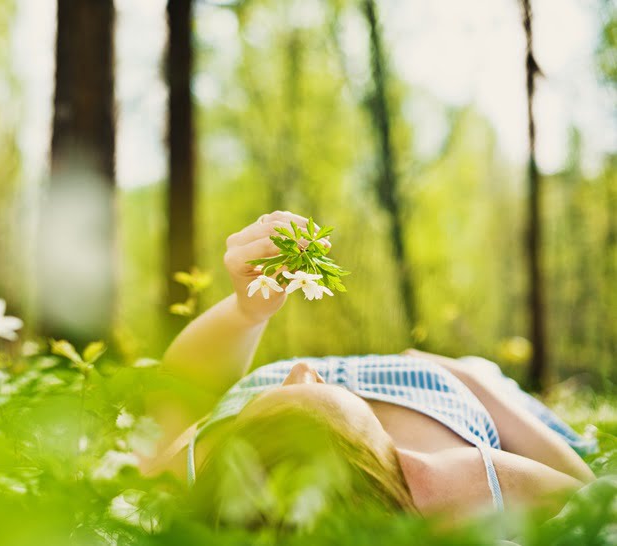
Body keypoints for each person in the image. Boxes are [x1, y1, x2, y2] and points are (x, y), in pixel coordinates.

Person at [140, 210, 597, 528]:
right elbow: (591, 496)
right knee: (490, 371)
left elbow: (181, 387)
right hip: (446, 389)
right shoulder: (455, 481)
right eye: (318, 384)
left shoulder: (202, 471)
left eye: (275, 394)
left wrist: (247, 311)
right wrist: (464, 376)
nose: (302, 368)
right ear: (403, 465)